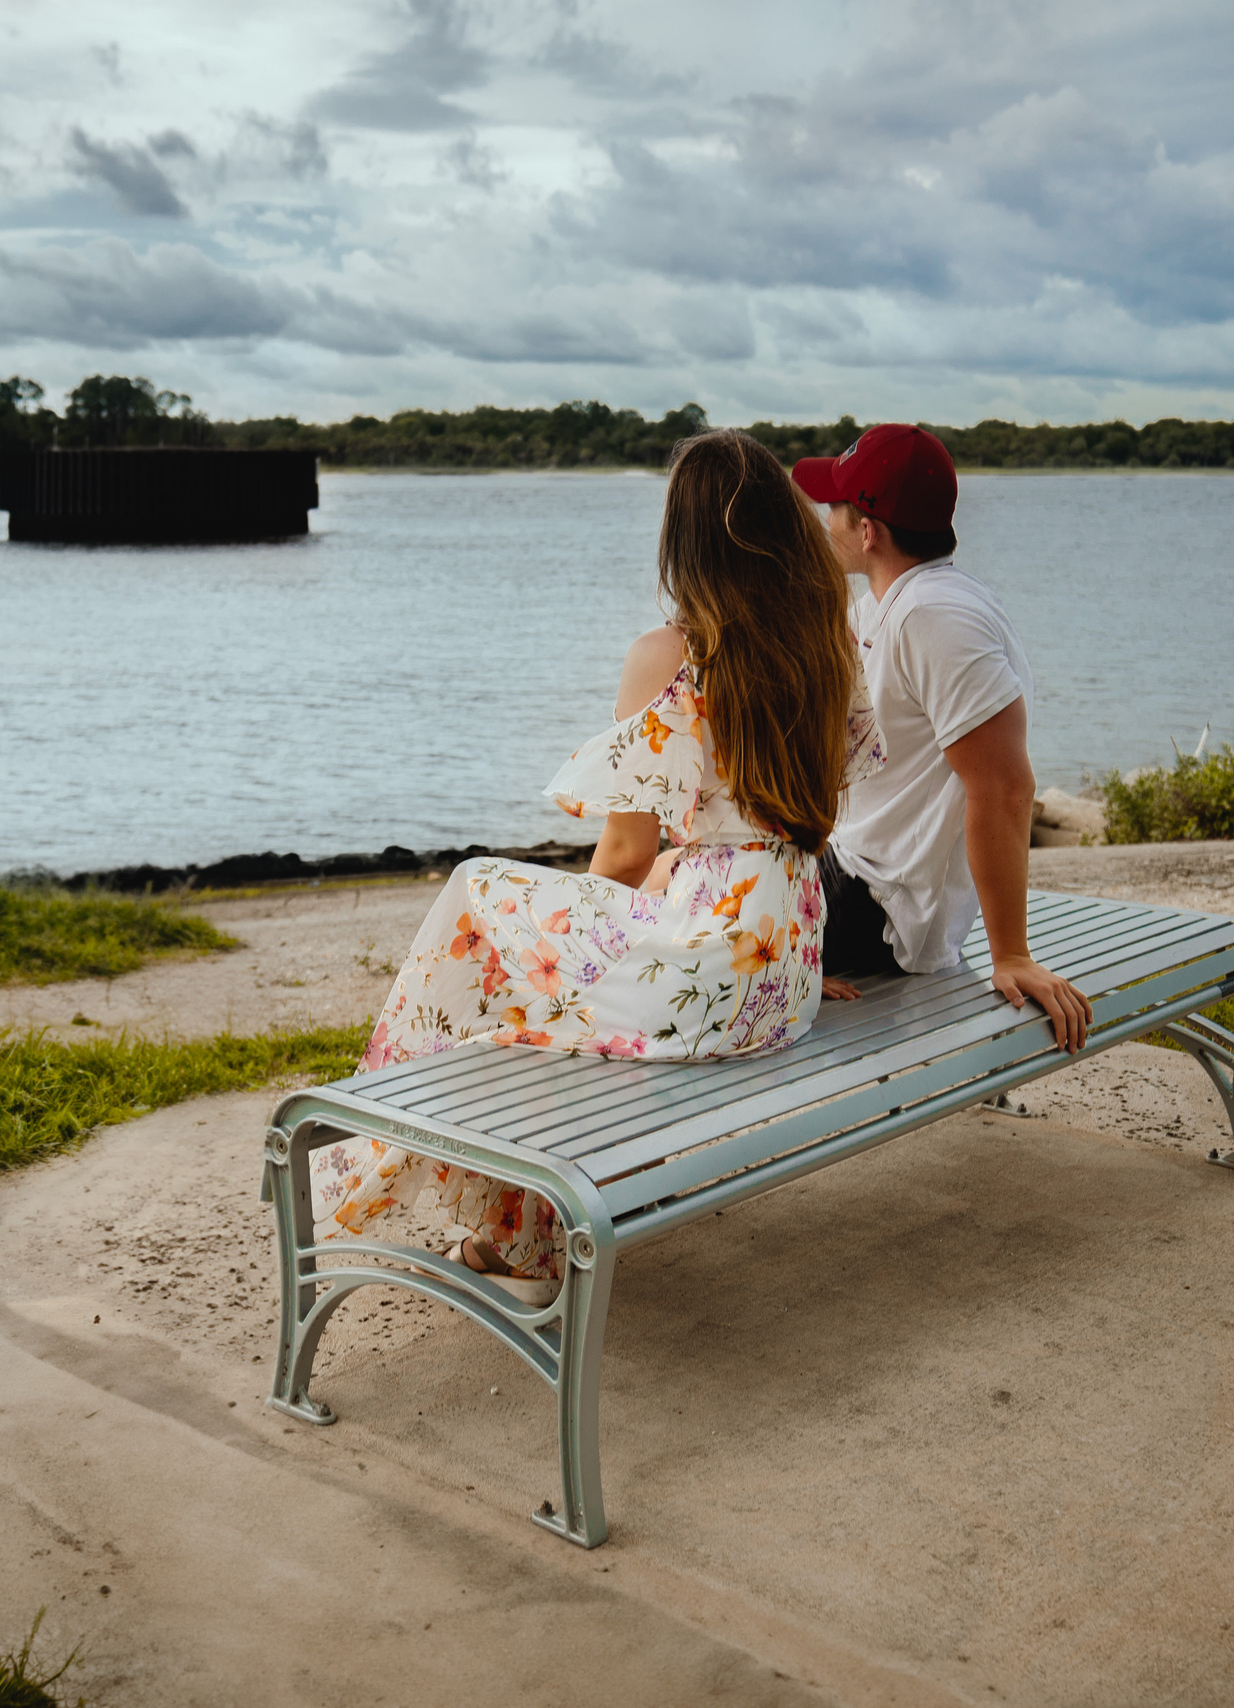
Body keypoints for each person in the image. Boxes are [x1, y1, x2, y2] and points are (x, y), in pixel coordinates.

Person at [312, 429, 886, 1297]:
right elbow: (805, 816)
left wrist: (575, 933)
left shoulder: (674, 653)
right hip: (783, 955)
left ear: (685, 539)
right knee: (535, 972)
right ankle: (512, 1233)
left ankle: (456, 1202)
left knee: (479, 894)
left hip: (715, 962)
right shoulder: (826, 639)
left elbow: (625, 853)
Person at [789, 423, 1092, 1053]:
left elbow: (1005, 787)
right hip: (850, 865)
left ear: (867, 530)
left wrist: (1011, 954)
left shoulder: (937, 618)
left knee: (676, 892)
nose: (825, 521)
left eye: (834, 509)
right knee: (685, 871)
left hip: (880, 903)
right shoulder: (892, 603)